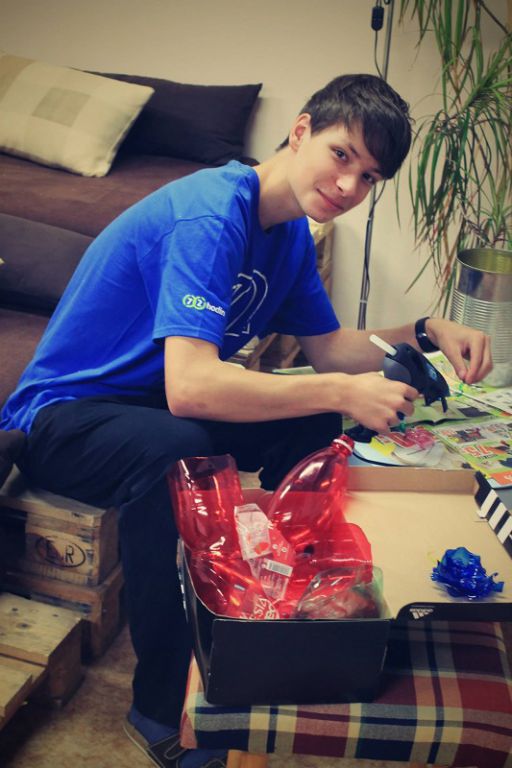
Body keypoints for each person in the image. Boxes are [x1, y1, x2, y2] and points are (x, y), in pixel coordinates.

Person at [0, 73, 492, 768]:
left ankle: (294, 609)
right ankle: (161, 707)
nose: (349, 185)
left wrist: (427, 329)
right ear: (301, 130)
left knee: (313, 416)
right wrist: (342, 389)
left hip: (149, 403)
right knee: (177, 449)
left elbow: (329, 349)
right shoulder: (211, 214)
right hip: (63, 416)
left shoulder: (287, 233)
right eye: (342, 154)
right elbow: (191, 389)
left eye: (369, 177)